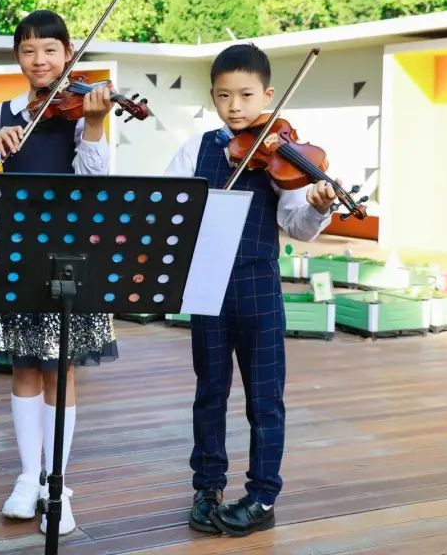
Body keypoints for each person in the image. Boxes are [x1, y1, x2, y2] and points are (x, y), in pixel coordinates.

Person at [164, 43, 339, 537]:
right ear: (213, 97)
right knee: (209, 392)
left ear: (268, 95)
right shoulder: (196, 149)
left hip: (258, 285)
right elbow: (170, 207)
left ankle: (263, 496)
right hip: (207, 285)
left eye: (246, 95)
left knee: (265, 397)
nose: (235, 106)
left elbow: (298, 225)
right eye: (224, 96)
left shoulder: (280, 156)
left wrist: (319, 206)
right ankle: (207, 487)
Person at [0, 9, 117, 536]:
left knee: (60, 370)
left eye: (50, 49)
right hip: (17, 251)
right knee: (24, 367)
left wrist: (94, 124)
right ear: (17, 57)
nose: (39, 59)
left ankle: (58, 485)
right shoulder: (3, 112)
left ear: (68, 53)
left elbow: (95, 177)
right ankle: (28, 477)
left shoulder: (81, 112)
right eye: (28, 49)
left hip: (69, 255)